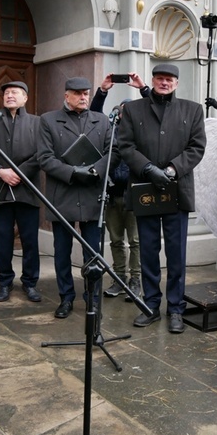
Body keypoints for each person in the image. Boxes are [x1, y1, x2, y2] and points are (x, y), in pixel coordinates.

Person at [118, 63, 206, 333]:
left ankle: (176, 308)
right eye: (159, 78)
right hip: (144, 188)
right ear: (152, 80)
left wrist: (170, 169)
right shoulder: (133, 110)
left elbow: (197, 146)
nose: (164, 83)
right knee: (148, 251)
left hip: (176, 189)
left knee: (177, 253)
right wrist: (147, 168)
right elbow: (125, 145)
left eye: (169, 79)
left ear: (177, 83)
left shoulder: (192, 110)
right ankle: (151, 305)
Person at [38, 77, 114, 319]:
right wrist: (72, 172)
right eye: (78, 93)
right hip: (63, 194)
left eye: (86, 93)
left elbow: (114, 151)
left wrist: (95, 170)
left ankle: (93, 298)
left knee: (93, 252)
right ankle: (66, 298)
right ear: (66, 95)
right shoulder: (48, 120)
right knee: (62, 251)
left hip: (93, 195)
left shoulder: (101, 120)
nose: (83, 97)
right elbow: (45, 158)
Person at [0, 80, 43, 303]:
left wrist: (20, 173)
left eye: (15, 92)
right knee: (3, 240)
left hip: (28, 190)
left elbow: (41, 154)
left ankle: (30, 282)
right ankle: (4, 282)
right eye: (6, 93)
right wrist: (0, 172)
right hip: (1, 190)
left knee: (30, 240)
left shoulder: (37, 122)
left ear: (25, 97)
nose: (10, 96)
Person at [90, 79, 149, 301]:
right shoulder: (110, 130)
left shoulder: (142, 132)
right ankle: (119, 278)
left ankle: (135, 280)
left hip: (134, 194)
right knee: (115, 240)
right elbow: (94, 113)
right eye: (124, 111)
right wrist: (103, 91)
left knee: (135, 241)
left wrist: (143, 89)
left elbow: (155, 106)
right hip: (113, 195)